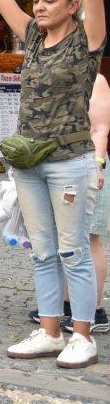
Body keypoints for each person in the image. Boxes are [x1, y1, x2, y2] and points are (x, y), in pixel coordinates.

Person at [0, 0, 105, 369]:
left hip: (70, 160)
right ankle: (49, 329)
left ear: (71, 5)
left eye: (49, 0)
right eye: (35, 0)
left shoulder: (87, 40)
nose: (38, 7)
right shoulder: (33, 37)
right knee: (43, 250)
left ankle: (83, 334)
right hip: (29, 159)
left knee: (74, 249)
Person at [85, 74, 110, 333]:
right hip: (60, 166)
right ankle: (69, 303)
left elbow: (100, 128)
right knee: (64, 241)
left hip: (91, 164)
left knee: (91, 238)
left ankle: (95, 310)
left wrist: (98, 165)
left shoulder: (96, 79)